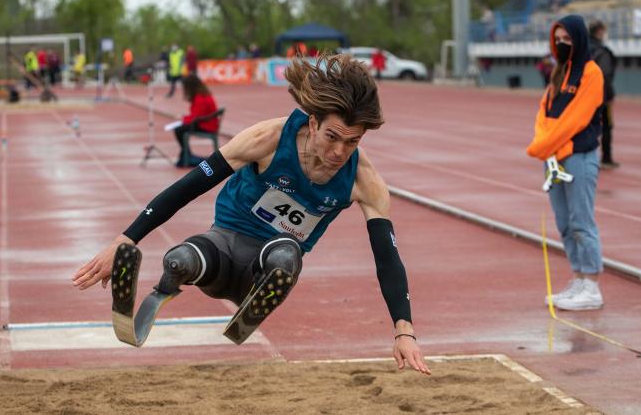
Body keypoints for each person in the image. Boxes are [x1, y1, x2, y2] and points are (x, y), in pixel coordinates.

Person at [73, 54, 431, 374]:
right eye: (332, 136)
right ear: (312, 123)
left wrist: (405, 331)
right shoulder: (268, 139)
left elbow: (388, 259)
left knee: (286, 255)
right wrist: (126, 238)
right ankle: (167, 282)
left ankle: (254, 300)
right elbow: (189, 187)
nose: (339, 152)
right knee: (181, 258)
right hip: (224, 245)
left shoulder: (365, 182)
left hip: (266, 268)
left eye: (352, 142)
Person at [526, 15, 605, 311]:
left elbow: (576, 119)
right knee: (564, 223)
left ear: (579, 39)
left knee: (582, 222)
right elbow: (544, 114)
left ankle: (592, 284)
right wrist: (543, 145)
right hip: (553, 159)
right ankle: (578, 277)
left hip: (579, 157)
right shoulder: (558, 72)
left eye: (567, 39)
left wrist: (543, 145)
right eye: (557, 39)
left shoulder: (591, 73)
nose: (561, 44)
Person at [589, 20, 619, 169]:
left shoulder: (584, 49)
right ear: (599, 31)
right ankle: (606, 157)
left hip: (584, 96)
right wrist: (609, 95)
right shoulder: (602, 51)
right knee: (606, 125)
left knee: (586, 126)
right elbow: (605, 75)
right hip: (601, 95)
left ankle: (585, 156)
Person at [173, 75, 219, 167]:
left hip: (207, 126)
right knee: (180, 129)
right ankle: (186, 155)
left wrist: (183, 119)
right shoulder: (202, 95)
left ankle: (187, 156)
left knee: (179, 130)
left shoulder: (200, 98)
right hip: (207, 123)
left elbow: (196, 117)